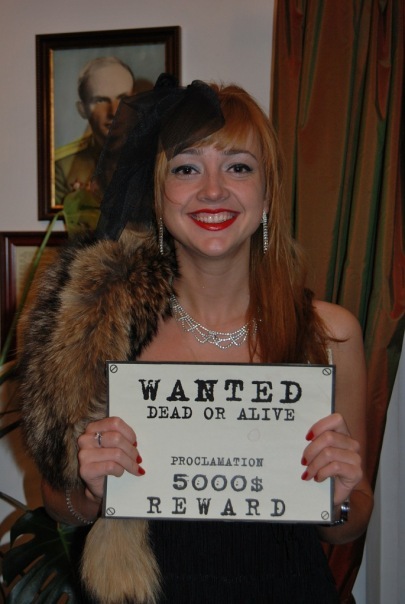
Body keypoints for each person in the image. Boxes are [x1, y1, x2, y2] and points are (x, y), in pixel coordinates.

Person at [19, 74, 373, 603]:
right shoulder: (100, 330)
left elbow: (350, 519)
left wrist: (338, 499)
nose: (213, 189)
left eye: (238, 167)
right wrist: (92, 492)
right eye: (186, 168)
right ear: (157, 194)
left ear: (267, 193)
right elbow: (58, 502)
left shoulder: (331, 335)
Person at [54, 56, 138, 205]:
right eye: (100, 100)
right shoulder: (63, 168)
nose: (114, 111)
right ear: (82, 109)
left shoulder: (156, 159)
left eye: (123, 99)